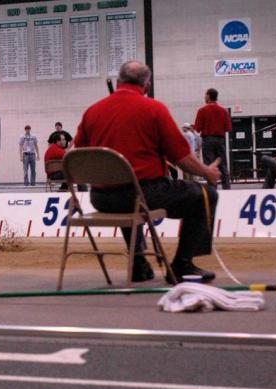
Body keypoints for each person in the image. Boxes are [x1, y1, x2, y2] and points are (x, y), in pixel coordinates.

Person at [74, 61, 221, 283]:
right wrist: (207, 173)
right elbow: (181, 158)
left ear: (118, 82)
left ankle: (139, 263)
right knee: (206, 196)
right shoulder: (154, 109)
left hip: (101, 198)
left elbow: (80, 155)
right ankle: (182, 264)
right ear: (147, 85)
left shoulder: (92, 112)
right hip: (143, 194)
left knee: (128, 191)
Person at [194, 88, 232, 189]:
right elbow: (228, 128)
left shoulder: (202, 110)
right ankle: (227, 189)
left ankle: (212, 189)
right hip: (220, 140)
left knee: (209, 166)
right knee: (223, 165)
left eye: (205, 95)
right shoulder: (223, 111)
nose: (204, 97)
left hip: (208, 140)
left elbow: (197, 129)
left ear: (208, 96)